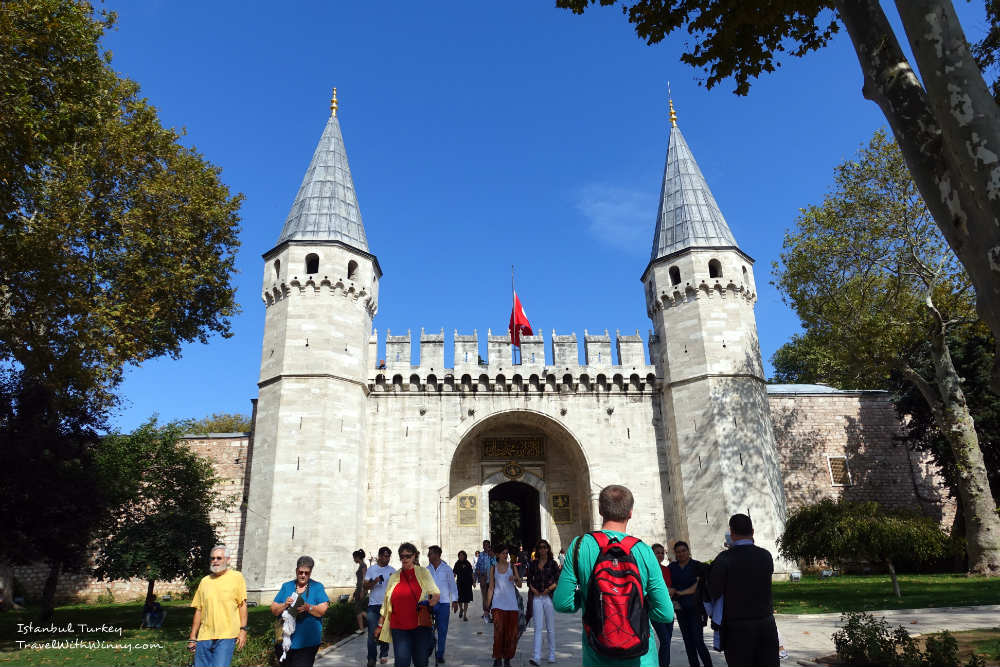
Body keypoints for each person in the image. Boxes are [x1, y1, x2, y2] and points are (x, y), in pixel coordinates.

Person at [553, 484, 674, 667]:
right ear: (631, 513)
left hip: (597, 654)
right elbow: (665, 613)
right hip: (641, 658)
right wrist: (636, 602)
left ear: (600, 510)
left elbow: (562, 603)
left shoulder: (580, 546)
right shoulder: (644, 551)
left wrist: (589, 596)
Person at [708, 514, 779, 667]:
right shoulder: (765, 556)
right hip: (765, 623)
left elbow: (714, 590)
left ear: (731, 533)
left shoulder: (724, 559)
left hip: (736, 627)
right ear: (752, 532)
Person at [377, 543, 440, 667]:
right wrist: (379, 625)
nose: (404, 559)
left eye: (408, 556)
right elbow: (386, 604)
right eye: (402, 557)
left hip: (419, 626)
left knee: (421, 662)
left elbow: (435, 593)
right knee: (401, 663)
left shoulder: (423, 572)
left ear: (414, 556)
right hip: (399, 628)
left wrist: (430, 604)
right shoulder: (394, 577)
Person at [188, 545, 248, 667]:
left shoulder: (236, 577)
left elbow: (242, 606)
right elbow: (199, 610)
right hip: (204, 635)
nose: (215, 561)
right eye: (212, 558)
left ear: (227, 559)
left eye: (219, 558)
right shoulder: (205, 581)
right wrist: (193, 636)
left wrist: (243, 630)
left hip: (227, 635)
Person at [270, 555, 330, 667]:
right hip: (284, 643)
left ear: (310, 573)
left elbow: (322, 610)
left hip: (307, 643)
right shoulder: (287, 586)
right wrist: (284, 605)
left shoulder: (317, 587)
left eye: (306, 573)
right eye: (300, 572)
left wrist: (308, 607)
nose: (303, 575)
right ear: (296, 570)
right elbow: (274, 609)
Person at [669, 541, 712, 667]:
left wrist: (679, 592)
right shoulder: (672, 568)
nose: (681, 554)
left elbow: (696, 587)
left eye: (683, 550)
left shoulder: (697, 566)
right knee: (688, 642)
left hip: (695, 609)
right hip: (680, 609)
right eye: (678, 552)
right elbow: (669, 587)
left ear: (688, 551)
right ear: (675, 554)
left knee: (698, 641)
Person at [486, 544, 523, 667]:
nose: (505, 555)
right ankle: (497, 657)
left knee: (511, 634)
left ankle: (507, 658)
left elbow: (520, 585)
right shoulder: (493, 568)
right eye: (503, 553)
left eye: (506, 553)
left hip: (512, 605)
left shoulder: (512, 567)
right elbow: (491, 587)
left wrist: (515, 579)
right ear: (497, 554)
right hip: (497, 604)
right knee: (498, 632)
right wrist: (487, 605)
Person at [526, 538, 560, 666]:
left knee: (550, 627)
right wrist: (533, 589)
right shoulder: (533, 564)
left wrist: (548, 589)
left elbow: (558, 579)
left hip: (549, 597)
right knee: (538, 627)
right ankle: (536, 656)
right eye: (540, 547)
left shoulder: (553, 564)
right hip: (537, 597)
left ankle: (552, 654)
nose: (542, 549)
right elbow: (529, 580)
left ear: (548, 549)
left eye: (544, 547)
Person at [427, 545, 459, 665]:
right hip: (430, 604)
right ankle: (430, 646)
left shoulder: (447, 569)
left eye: (430, 554)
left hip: (444, 603)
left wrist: (455, 601)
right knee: (427, 630)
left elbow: (452, 586)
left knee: (442, 630)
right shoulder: (426, 570)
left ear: (437, 555)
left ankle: (440, 654)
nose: (428, 556)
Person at [364, 547, 396, 667]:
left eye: (388, 556)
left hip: (387, 605)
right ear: (379, 556)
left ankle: (384, 653)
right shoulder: (372, 570)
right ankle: (371, 658)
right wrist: (375, 581)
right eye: (385, 556)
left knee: (385, 630)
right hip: (373, 605)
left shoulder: (392, 570)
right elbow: (365, 587)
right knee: (372, 633)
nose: (387, 558)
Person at [650, 543, 675, 667]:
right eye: (657, 552)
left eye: (661, 553)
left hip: (668, 608)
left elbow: (670, 589)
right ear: (651, 554)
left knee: (667, 641)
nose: (660, 555)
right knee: (665, 640)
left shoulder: (666, 570)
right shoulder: (648, 569)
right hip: (655, 609)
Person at [474, 540, 496, 622]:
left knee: (493, 596)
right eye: (485, 545)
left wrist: (492, 557)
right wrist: (476, 577)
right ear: (483, 546)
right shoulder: (481, 555)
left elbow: (495, 565)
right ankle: (486, 612)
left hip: (492, 580)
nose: (486, 547)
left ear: (489, 546)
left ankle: (493, 612)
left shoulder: (492, 555)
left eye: (488, 545)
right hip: (483, 579)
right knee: (484, 596)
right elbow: (477, 567)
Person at [453, 551, 474, 621]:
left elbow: (471, 573)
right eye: (459, 555)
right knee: (459, 599)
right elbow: (454, 573)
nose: (461, 557)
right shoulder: (457, 563)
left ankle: (465, 615)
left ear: (465, 556)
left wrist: (473, 582)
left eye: (462, 555)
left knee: (466, 600)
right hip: (459, 583)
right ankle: (461, 609)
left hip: (467, 583)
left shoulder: (467, 563)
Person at [353, 549, 369, 635]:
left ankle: (362, 628)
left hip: (361, 589)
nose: (353, 560)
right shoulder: (361, 565)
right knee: (358, 609)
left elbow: (364, 578)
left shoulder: (363, 566)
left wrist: (363, 590)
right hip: (359, 588)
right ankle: (362, 628)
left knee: (358, 609)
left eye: (354, 558)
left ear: (357, 557)